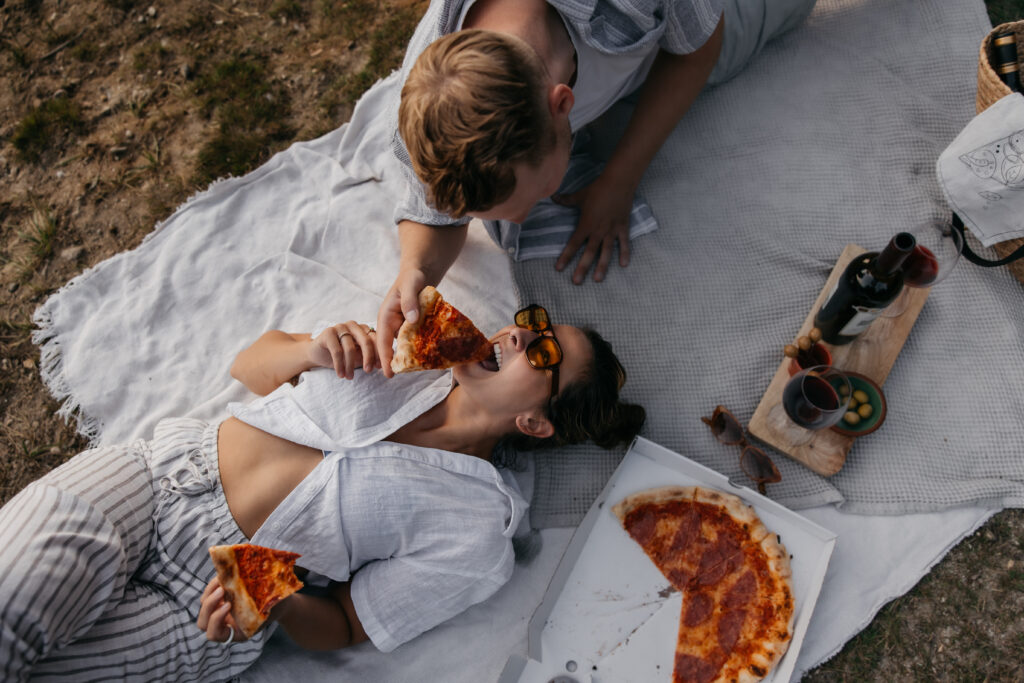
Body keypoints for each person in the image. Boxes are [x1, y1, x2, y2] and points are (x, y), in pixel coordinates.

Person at [0, 304, 644, 681]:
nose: (518, 335)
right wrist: (311, 349)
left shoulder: (478, 536)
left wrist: (270, 598)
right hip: (156, 479)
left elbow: (344, 624)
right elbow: (250, 365)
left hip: (206, 608)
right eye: (533, 322)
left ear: (534, 423)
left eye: (544, 353)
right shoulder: (403, 350)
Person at [376, 0, 818, 374]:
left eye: (534, 195)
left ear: (562, 104)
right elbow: (433, 216)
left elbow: (698, 52)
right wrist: (417, 270)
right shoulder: (426, 117)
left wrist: (620, 180)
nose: (524, 219)